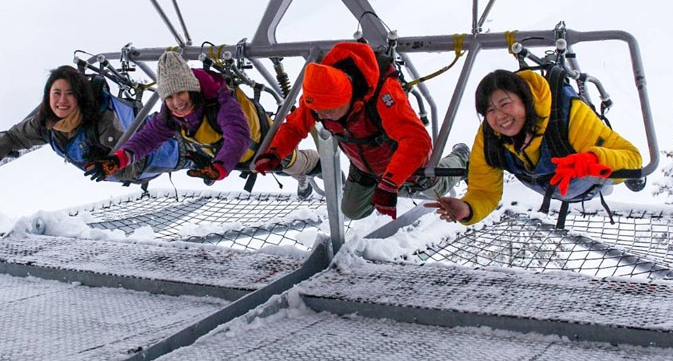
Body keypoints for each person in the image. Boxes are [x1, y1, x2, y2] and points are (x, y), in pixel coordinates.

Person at [257, 41, 469, 220]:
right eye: (318, 112)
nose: (321, 117)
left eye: (329, 111)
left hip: (409, 164)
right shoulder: (319, 96)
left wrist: (390, 182)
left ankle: (461, 155)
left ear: (346, 97)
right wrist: (274, 153)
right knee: (352, 211)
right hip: (365, 166)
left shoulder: (383, 94)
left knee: (435, 189)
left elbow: (417, 141)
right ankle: (389, 189)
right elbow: (294, 126)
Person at [426, 69, 642, 225]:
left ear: (525, 99)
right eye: (489, 110)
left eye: (505, 104)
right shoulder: (490, 136)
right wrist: (468, 208)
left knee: (611, 180)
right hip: (545, 184)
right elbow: (484, 190)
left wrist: (592, 161)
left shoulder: (570, 117)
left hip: (589, 185)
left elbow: (632, 158)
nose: (499, 116)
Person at [85, 51, 321, 192]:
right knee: (280, 171)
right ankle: (301, 177)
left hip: (266, 146)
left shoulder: (220, 102)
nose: (177, 103)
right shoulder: (170, 115)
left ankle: (318, 167)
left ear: (192, 90)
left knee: (294, 163)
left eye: (181, 94)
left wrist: (219, 168)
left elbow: (238, 136)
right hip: (229, 160)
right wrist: (118, 160)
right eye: (169, 97)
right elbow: (147, 139)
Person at [0, 65, 186, 195]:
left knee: (198, 148)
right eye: (56, 93)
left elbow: (133, 167)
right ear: (48, 96)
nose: (62, 101)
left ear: (80, 97)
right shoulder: (46, 122)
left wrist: (108, 161)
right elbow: (14, 137)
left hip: (164, 153)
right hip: (144, 154)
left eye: (69, 94)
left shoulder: (101, 121)